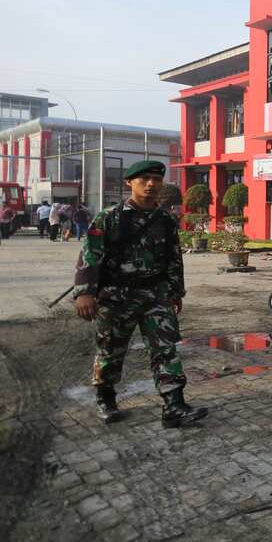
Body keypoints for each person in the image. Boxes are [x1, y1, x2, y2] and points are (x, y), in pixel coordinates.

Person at [74, 160, 207, 428]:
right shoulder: (108, 217)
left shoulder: (166, 219)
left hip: (155, 295)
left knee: (165, 349)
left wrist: (175, 291)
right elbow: (90, 255)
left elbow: (173, 258)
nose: (151, 184)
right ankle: (106, 399)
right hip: (116, 297)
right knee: (111, 349)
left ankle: (174, 405)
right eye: (144, 179)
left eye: (156, 180)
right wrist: (84, 293)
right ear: (129, 183)